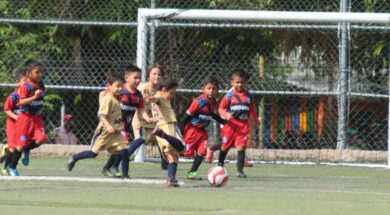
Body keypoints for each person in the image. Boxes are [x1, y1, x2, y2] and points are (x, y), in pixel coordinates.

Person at [67, 72, 131, 179]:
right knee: (93, 153)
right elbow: (101, 116)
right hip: (105, 131)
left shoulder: (117, 98)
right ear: (109, 86)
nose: (120, 89)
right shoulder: (108, 99)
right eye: (117, 86)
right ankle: (74, 157)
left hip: (115, 133)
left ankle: (125, 175)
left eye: (121, 86)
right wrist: (109, 126)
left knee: (124, 151)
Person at [98, 65, 154, 177]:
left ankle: (107, 167)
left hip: (126, 126)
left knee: (120, 147)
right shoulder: (119, 90)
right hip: (116, 125)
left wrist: (147, 118)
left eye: (139, 78)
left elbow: (141, 110)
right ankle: (114, 167)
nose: (138, 80)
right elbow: (102, 94)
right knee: (123, 145)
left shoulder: (138, 95)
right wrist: (103, 109)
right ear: (127, 78)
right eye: (135, 78)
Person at [179, 75, 227, 180]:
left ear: (217, 90)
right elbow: (186, 117)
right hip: (192, 131)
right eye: (209, 88)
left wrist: (222, 121)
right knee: (185, 153)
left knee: (201, 152)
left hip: (203, 133)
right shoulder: (198, 102)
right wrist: (180, 133)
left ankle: (192, 172)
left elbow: (211, 114)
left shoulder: (213, 101)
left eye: (214, 89)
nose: (211, 91)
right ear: (203, 89)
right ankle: (168, 158)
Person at [217, 69, 259, 178]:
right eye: (237, 82)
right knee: (225, 147)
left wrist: (256, 119)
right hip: (230, 126)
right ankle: (220, 165)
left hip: (243, 126)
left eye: (242, 82)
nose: (240, 85)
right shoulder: (229, 95)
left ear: (246, 83)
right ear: (232, 83)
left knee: (241, 147)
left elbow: (252, 109)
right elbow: (221, 108)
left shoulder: (249, 96)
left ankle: (240, 171)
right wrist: (226, 115)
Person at [7, 60, 46, 176]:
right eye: (37, 72)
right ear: (29, 74)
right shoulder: (25, 87)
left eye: (41, 72)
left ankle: (27, 150)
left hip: (37, 118)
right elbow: (22, 101)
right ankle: (12, 167)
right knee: (21, 144)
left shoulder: (41, 84)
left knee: (41, 139)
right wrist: (34, 97)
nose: (40, 74)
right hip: (26, 119)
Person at [150, 77, 185, 187]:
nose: (173, 96)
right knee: (183, 148)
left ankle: (171, 178)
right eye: (172, 93)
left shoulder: (157, 97)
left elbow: (155, 102)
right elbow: (156, 100)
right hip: (168, 127)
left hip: (159, 128)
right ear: (164, 89)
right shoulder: (160, 97)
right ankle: (164, 135)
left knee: (172, 157)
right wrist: (150, 98)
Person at [131, 64, 168, 170]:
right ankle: (123, 157)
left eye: (159, 74)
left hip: (154, 123)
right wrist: (137, 120)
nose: (157, 76)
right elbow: (135, 106)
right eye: (154, 74)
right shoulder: (143, 89)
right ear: (148, 77)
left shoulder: (162, 91)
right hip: (141, 121)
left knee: (163, 140)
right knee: (140, 141)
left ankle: (165, 165)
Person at [0, 69, 27, 175]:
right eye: (24, 81)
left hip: (24, 126)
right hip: (13, 125)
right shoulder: (14, 96)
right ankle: (7, 168)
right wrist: (17, 118)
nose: (26, 84)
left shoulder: (30, 96)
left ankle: (5, 151)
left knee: (20, 146)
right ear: (18, 82)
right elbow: (7, 110)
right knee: (13, 149)